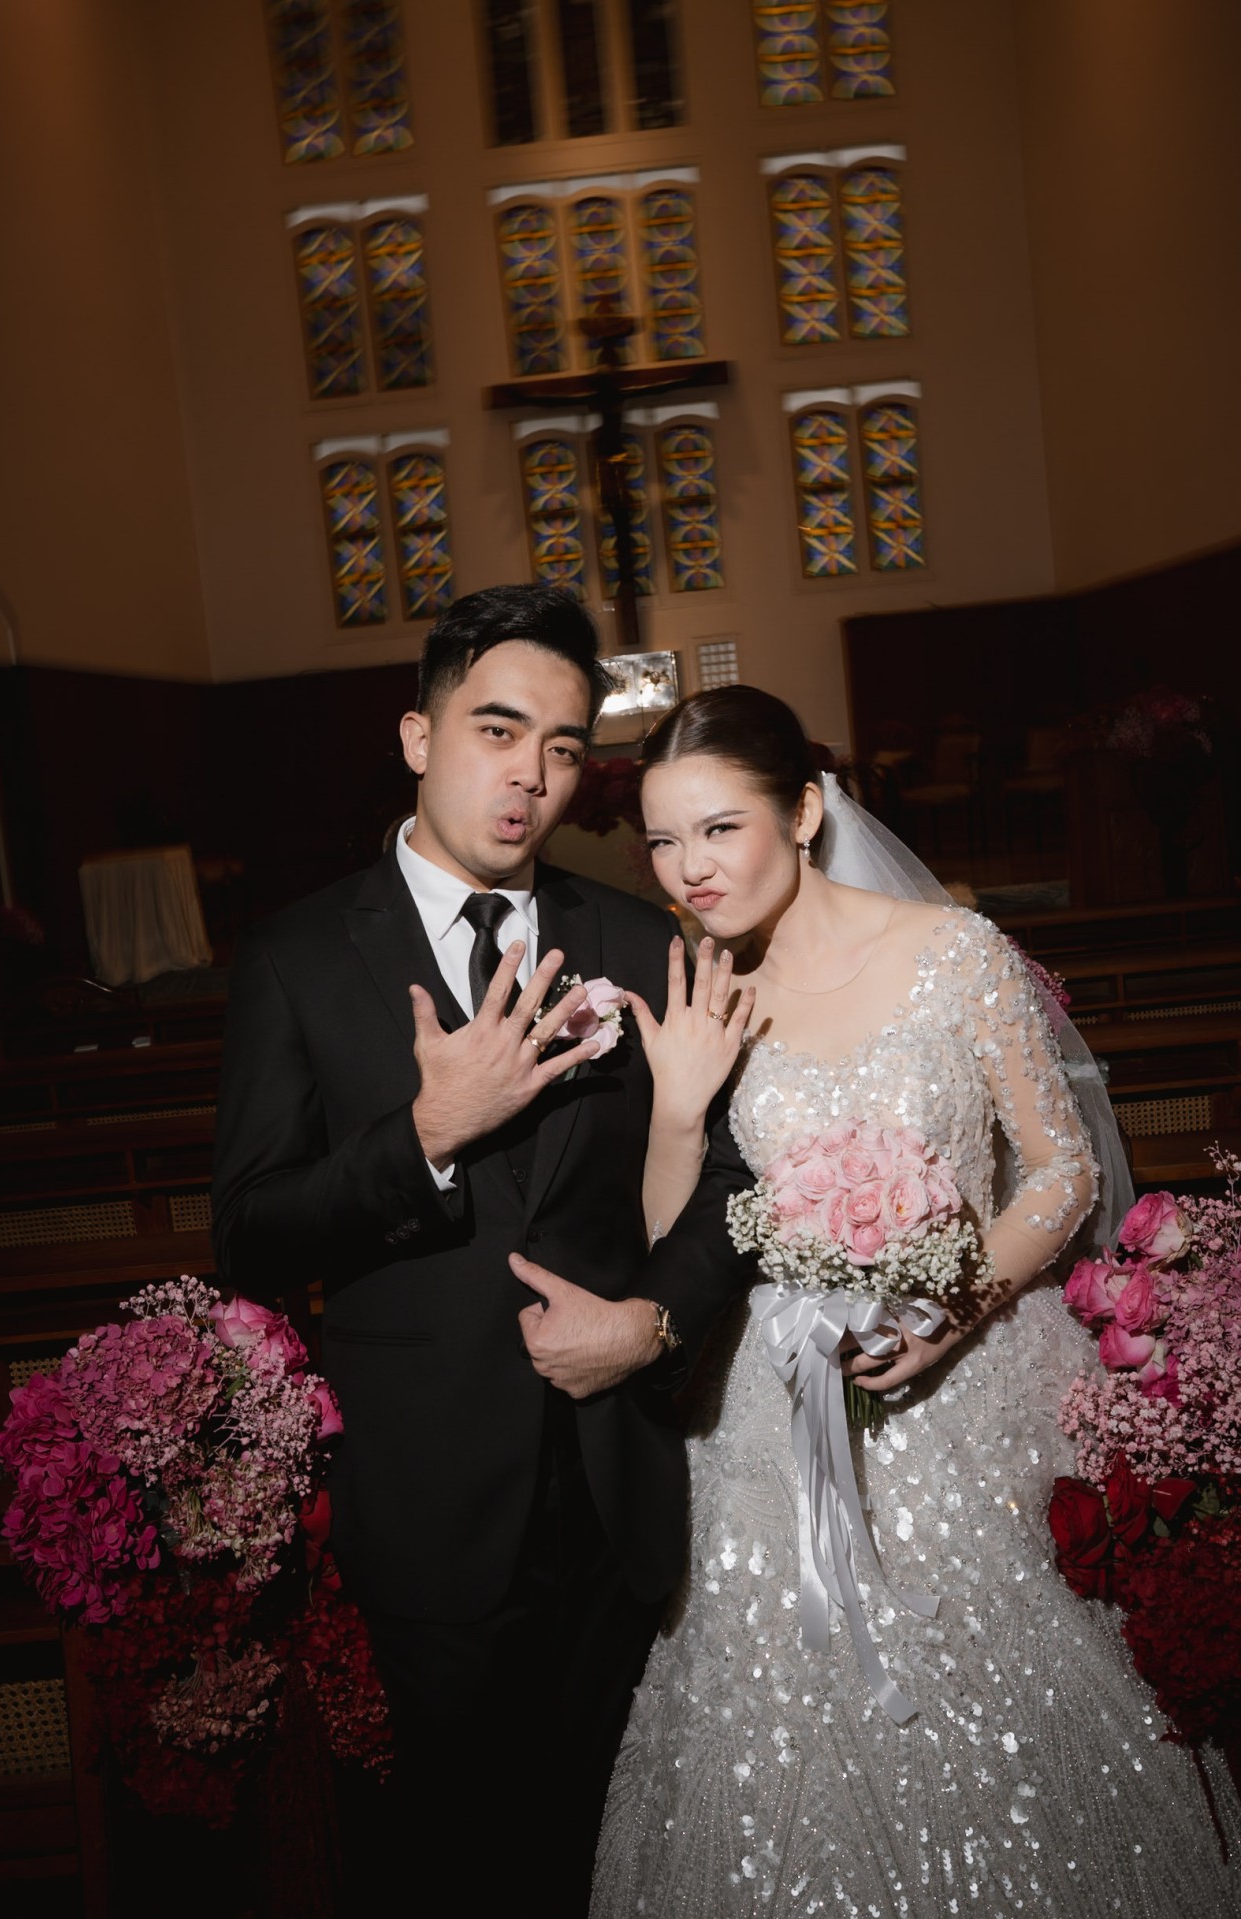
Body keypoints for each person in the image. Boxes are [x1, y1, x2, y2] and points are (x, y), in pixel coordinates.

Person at [591, 686, 1241, 1917]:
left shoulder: (953, 952)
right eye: (663, 839)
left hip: (968, 1382)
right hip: (774, 1406)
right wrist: (676, 1104)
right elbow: (675, 1242)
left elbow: (1061, 1169)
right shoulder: (707, 989)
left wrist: (953, 1307)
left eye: (719, 828)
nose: (689, 868)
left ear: (801, 809)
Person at [209, 586, 752, 1918]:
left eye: (563, 747)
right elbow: (250, 1229)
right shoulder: (297, 956)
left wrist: (651, 1322)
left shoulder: (633, 936)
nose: (530, 776)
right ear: (417, 734)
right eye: (497, 730)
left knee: (623, 1865)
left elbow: (733, 1178)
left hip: (616, 1485)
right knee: (460, 1866)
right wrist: (425, 1135)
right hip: (430, 1502)